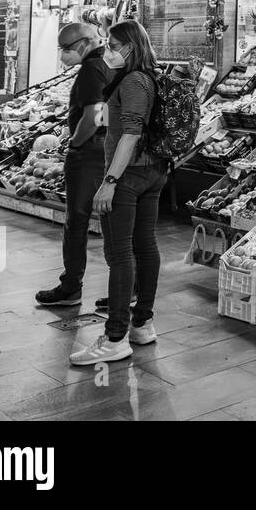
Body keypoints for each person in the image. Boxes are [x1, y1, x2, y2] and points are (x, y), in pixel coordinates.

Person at [69, 21, 167, 365]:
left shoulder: (135, 80)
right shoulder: (149, 76)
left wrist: (109, 181)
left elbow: (130, 134)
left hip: (130, 175)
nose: (107, 50)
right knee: (144, 246)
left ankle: (115, 337)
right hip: (151, 172)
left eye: (112, 44)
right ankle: (142, 324)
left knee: (120, 253)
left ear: (129, 47)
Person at [36, 23, 112, 309]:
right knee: (111, 220)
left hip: (90, 153)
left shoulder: (93, 68)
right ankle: (125, 288)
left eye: (67, 49)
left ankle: (71, 287)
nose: (64, 55)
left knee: (77, 221)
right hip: (108, 149)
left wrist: (76, 144)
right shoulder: (110, 63)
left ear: (84, 43)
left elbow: (94, 114)